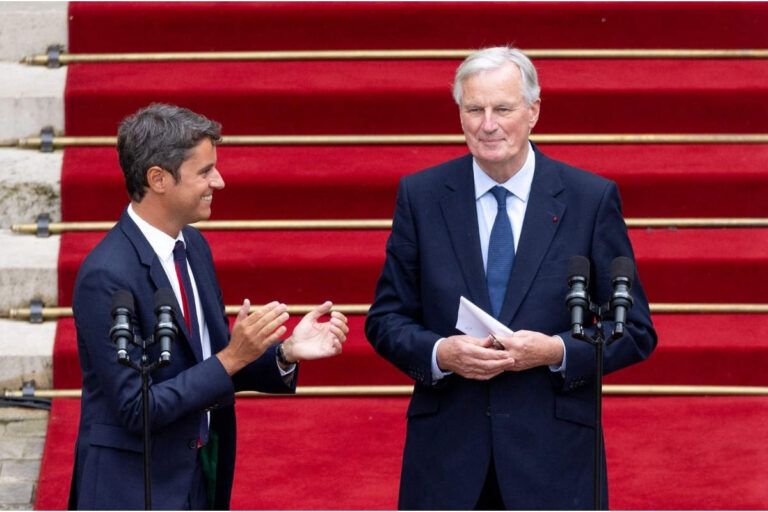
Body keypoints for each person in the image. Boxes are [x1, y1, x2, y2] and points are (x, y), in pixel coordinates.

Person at [365, 47, 657, 510]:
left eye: (502, 108)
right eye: (474, 109)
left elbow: (635, 331)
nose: (488, 124)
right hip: (448, 459)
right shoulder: (421, 196)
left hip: (554, 459)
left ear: (533, 111)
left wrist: (556, 352)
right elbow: (385, 319)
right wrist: (441, 353)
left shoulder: (589, 199)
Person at [69, 103, 349, 510]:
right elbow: (137, 407)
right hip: (133, 489)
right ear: (158, 179)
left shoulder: (193, 247)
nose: (219, 181)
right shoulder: (106, 276)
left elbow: (209, 363)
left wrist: (285, 353)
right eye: (204, 171)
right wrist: (233, 356)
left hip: (198, 476)